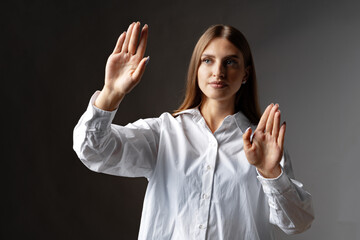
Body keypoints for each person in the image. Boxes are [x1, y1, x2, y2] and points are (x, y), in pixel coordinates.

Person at [73, 22, 314, 240]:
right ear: (196, 68)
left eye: (230, 61)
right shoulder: (164, 133)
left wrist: (269, 171)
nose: (218, 71)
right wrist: (111, 92)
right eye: (207, 60)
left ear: (245, 74)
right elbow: (93, 151)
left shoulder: (263, 143)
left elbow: (298, 223)